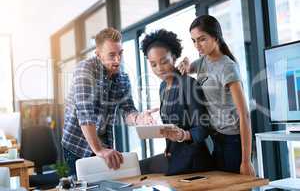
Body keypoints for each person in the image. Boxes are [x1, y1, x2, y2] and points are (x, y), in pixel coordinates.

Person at [62, 27, 158, 176]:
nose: (118, 60)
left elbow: (128, 111)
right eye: (112, 55)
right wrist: (99, 150)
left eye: (120, 53)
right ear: (98, 55)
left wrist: (139, 118)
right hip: (77, 145)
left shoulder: (122, 78)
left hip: (103, 143)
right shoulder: (85, 70)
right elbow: (85, 114)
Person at [177, 15, 255, 175]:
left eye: (202, 39)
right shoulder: (203, 61)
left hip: (232, 141)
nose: (197, 45)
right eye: (193, 40)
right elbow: (186, 67)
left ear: (216, 37)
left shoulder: (227, 67)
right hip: (214, 138)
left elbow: (244, 115)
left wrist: (246, 161)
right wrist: (184, 61)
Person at [139, 29, 213, 175]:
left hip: (195, 163)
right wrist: (168, 146)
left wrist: (182, 135)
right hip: (175, 158)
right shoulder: (163, 87)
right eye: (153, 64)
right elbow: (172, 124)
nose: (159, 68)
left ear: (174, 57)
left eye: (164, 61)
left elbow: (203, 128)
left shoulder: (188, 84)